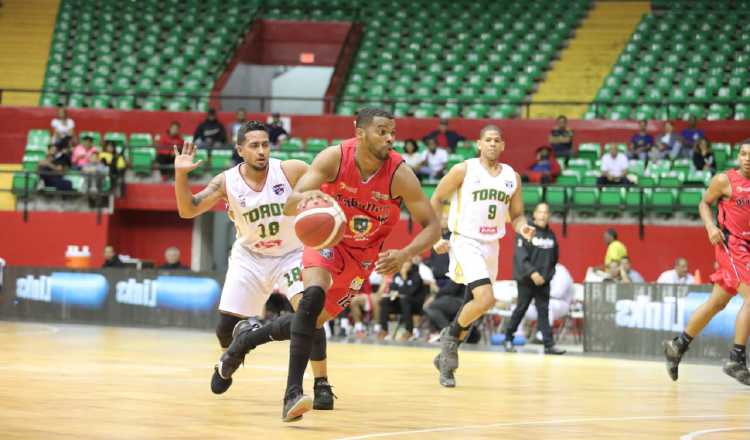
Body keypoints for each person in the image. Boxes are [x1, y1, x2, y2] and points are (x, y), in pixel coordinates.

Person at [215, 108, 440, 421]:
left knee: (313, 320)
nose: (390, 138)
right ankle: (293, 393)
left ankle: (245, 341)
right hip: (327, 242)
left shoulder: (400, 174)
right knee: (311, 298)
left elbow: (432, 226)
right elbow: (292, 202)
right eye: (382, 131)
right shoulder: (333, 158)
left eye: (392, 132)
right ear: (360, 132)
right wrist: (316, 202)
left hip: (362, 257)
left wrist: (404, 254)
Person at [172, 121, 337, 409]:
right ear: (240, 150)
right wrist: (180, 176)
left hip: (293, 252)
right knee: (225, 327)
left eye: (265, 144)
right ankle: (231, 356)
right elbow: (188, 210)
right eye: (254, 145)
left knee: (309, 310)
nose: (262, 151)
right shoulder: (227, 182)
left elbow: (327, 187)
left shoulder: (291, 169)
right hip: (250, 255)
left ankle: (321, 382)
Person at [431, 125, 535, 387]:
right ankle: (450, 346)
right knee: (486, 298)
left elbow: (517, 213)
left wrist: (522, 227)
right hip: (466, 240)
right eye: (487, 140)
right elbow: (435, 199)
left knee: (479, 304)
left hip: (492, 244)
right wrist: (436, 236)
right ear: (479, 144)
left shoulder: (512, 177)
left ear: (503, 145)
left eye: (497, 140)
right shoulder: (463, 169)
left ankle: (448, 341)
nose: (492, 144)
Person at [664, 140, 750, 386]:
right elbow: (704, 203)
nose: (747, 158)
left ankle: (678, 344)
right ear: (738, 156)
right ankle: (736, 358)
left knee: (717, 302)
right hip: (731, 244)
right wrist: (711, 226)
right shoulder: (725, 180)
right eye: (743, 154)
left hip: (748, 249)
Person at [502, 203, 565, 355]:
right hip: (526, 280)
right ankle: (508, 338)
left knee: (543, 311)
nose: (543, 215)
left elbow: (554, 259)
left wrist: (546, 276)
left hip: (544, 281)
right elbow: (521, 255)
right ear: (535, 214)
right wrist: (533, 273)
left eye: (546, 212)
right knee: (521, 309)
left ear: (549, 215)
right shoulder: (527, 231)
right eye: (540, 212)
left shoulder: (551, 235)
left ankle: (549, 345)